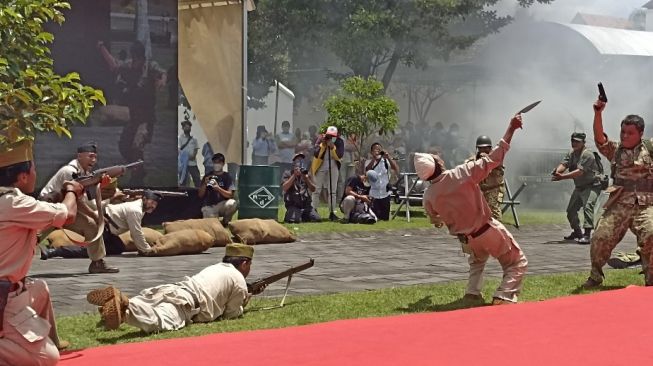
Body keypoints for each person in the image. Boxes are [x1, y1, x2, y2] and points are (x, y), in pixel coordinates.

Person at [416, 114, 527, 305]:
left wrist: (444, 219)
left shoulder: (429, 195)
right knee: (517, 262)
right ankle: (504, 295)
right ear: (437, 165)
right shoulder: (461, 173)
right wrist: (511, 128)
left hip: (466, 238)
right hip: (485, 229)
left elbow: (435, 220)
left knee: (477, 262)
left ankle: (472, 293)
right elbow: (497, 156)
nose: (440, 158)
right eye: (437, 158)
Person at [0, 140, 85, 365]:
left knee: (40, 288)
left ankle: (45, 339)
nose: (36, 174)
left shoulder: (9, 202)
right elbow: (68, 215)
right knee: (46, 359)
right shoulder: (14, 203)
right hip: (3, 296)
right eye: (33, 169)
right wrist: (71, 191)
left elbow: (43, 218)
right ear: (22, 177)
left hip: (10, 290)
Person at [86, 243, 263, 332]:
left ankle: (112, 307)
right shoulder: (238, 279)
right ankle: (124, 306)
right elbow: (231, 314)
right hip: (187, 303)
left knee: (147, 302)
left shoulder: (217, 267)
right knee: (157, 321)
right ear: (245, 263)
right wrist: (245, 300)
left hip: (174, 289)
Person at [582, 98, 653, 288]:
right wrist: (598, 112)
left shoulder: (650, 149)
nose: (625, 136)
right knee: (600, 237)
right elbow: (599, 138)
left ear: (641, 133)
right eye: (623, 131)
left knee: (652, 234)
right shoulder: (615, 150)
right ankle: (595, 276)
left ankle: (651, 281)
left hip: (645, 205)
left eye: (630, 133)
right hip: (619, 203)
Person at [39, 142, 120, 274]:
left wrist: (103, 187)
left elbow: (85, 200)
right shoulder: (69, 171)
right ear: (79, 156)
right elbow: (77, 201)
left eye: (95, 157)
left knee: (92, 226)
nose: (93, 160)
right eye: (90, 156)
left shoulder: (85, 173)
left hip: (66, 210)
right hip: (49, 208)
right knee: (31, 237)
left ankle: (97, 263)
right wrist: (95, 215)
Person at [98, 40, 167, 185]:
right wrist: (102, 48)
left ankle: (137, 176)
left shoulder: (150, 67)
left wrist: (161, 81)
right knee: (124, 146)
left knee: (137, 145)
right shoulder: (129, 66)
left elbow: (162, 73)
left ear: (142, 58)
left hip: (146, 118)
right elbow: (114, 66)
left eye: (138, 59)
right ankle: (138, 169)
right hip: (134, 117)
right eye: (134, 58)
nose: (135, 62)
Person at [40, 190, 163, 259]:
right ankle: (55, 251)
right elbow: (136, 233)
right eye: (151, 202)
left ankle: (101, 251)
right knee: (88, 252)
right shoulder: (135, 209)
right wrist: (147, 250)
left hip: (110, 230)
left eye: (155, 205)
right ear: (144, 199)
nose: (153, 206)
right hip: (102, 224)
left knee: (118, 247)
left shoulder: (139, 208)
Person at [552, 132, 602, 244]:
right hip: (580, 187)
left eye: (577, 141)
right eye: (573, 141)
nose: (574, 143)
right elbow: (564, 164)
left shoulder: (587, 154)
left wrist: (562, 177)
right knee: (571, 211)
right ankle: (577, 232)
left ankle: (587, 234)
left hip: (592, 186)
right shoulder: (572, 153)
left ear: (583, 142)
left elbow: (579, 172)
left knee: (588, 206)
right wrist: (557, 172)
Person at [465, 136, 505, 221]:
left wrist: (485, 158)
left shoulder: (495, 157)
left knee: (493, 211)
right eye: (481, 148)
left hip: (495, 189)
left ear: (490, 148)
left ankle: (498, 230)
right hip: (479, 189)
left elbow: (495, 163)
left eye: (486, 148)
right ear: (477, 148)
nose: (483, 150)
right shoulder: (473, 160)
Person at [310, 126, 344, 220]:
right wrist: (323, 145)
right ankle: (314, 211)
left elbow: (339, 156)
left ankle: (332, 212)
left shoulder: (339, 141)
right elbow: (316, 153)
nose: (331, 137)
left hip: (333, 166)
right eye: (329, 135)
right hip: (320, 166)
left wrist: (332, 147)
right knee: (316, 190)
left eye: (333, 136)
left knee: (332, 191)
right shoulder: (321, 139)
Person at [198, 153, 238, 226]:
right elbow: (200, 195)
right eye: (215, 162)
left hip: (222, 204)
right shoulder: (207, 176)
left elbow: (230, 195)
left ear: (223, 164)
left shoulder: (227, 176)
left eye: (218, 162)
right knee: (213, 226)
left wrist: (218, 188)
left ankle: (226, 221)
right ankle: (215, 221)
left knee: (233, 203)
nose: (216, 165)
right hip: (209, 205)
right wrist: (204, 184)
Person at [365, 143, 399, 220]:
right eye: (375, 149)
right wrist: (374, 158)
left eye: (379, 149)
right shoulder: (369, 161)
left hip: (385, 194)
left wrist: (388, 157)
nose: (377, 151)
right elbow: (367, 170)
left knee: (385, 219)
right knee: (374, 218)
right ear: (371, 152)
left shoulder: (386, 161)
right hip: (373, 195)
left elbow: (395, 168)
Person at [282, 153, 320, 223]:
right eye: (297, 160)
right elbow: (285, 187)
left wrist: (306, 179)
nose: (299, 162)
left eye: (301, 160)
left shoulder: (306, 174)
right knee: (293, 220)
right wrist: (294, 175)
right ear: (293, 163)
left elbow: (313, 189)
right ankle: (296, 215)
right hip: (294, 205)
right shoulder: (287, 173)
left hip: (306, 205)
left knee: (316, 219)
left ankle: (304, 214)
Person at [178, 119, 200, 187]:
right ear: (183, 128)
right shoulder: (179, 138)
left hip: (193, 163)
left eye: (189, 127)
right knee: (183, 182)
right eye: (186, 127)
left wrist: (192, 156)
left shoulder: (194, 139)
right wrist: (186, 157)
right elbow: (179, 149)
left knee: (197, 180)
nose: (187, 128)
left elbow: (196, 149)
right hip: (183, 164)